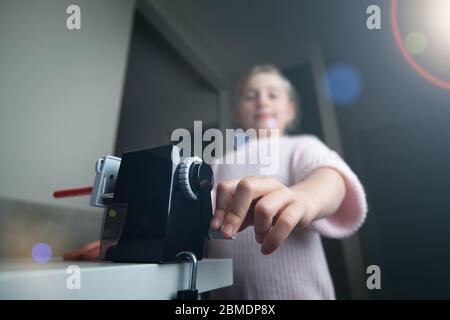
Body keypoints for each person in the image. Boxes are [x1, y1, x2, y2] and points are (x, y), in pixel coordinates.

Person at [64, 65, 368, 300]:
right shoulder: (217, 164)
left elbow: (331, 178)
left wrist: (305, 199)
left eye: (273, 94)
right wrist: (129, 245)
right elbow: (195, 225)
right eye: (250, 95)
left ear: (289, 110)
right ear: (238, 112)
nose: (261, 100)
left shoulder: (301, 146)